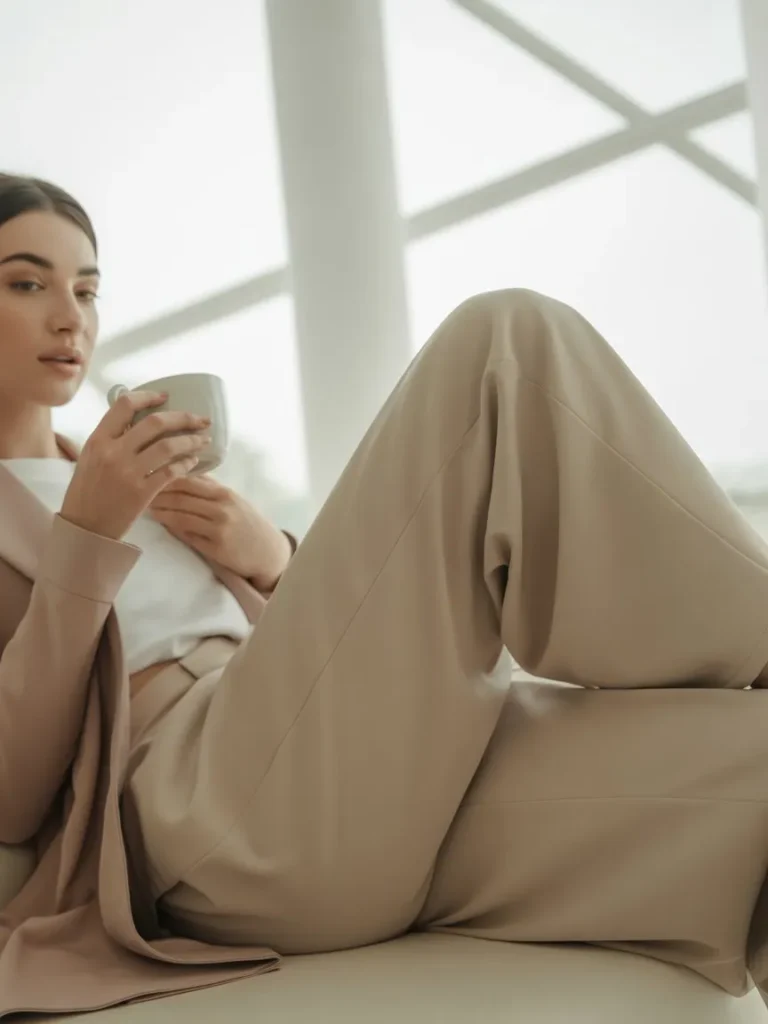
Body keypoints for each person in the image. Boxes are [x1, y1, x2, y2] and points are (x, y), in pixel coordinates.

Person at [1, 172, 768, 1017]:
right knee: (504, 340)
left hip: (351, 785)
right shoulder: (96, 500)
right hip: (207, 815)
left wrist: (272, 562)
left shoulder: (121, 472)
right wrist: (89, 537)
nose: (71, 316)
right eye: (26, 283)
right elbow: (11, 794)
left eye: (87, 288)